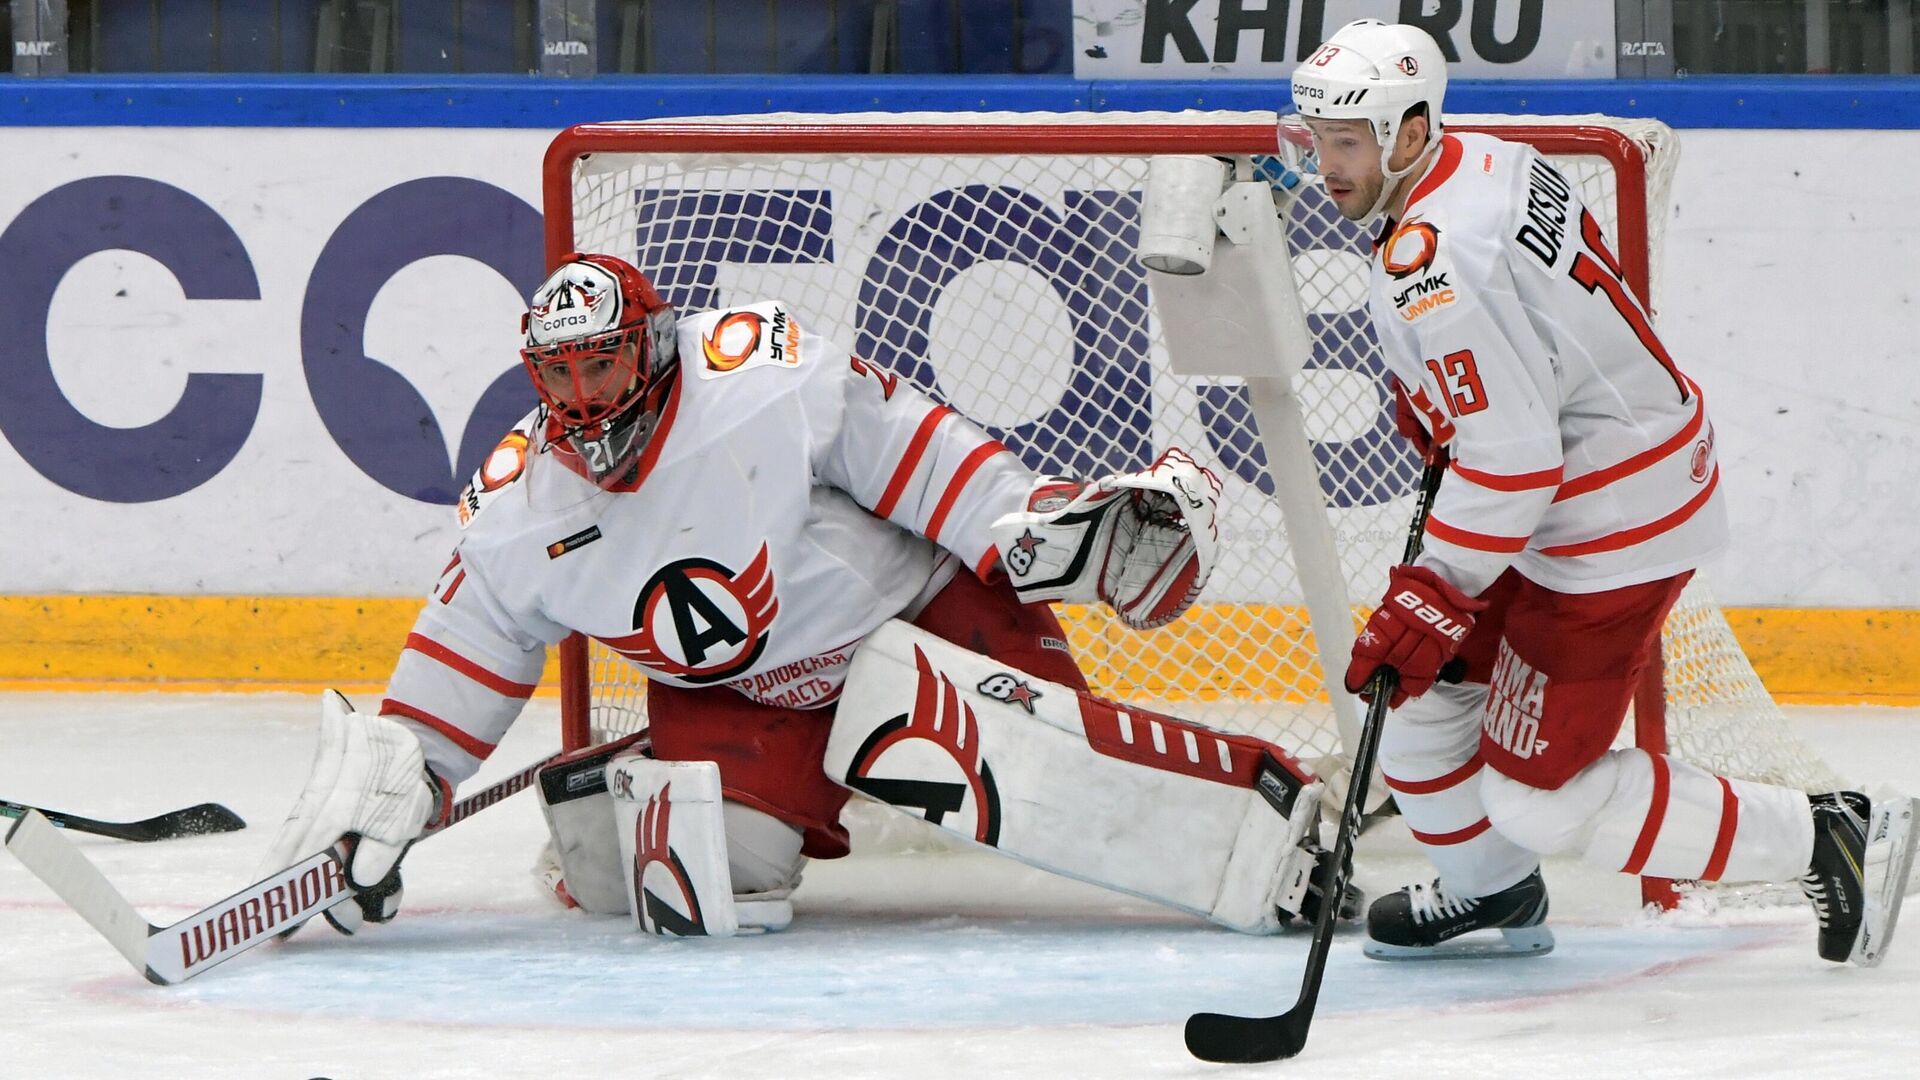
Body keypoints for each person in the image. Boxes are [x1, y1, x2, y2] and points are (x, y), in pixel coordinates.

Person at [260, 252, 1343, 938]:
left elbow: (917, 454)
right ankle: (634, 793)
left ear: (652, 341)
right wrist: (395, 792)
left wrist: (1037, 529)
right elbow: (463, 655)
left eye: (605, 362)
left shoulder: (758, 379)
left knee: (1032, 765)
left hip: (914, 615)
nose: (586, 398)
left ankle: (1284, 821)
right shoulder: (517, 507)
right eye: (562, 376)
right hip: (741, 699)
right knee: (701, 894)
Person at [1290, 19, 1915, 963]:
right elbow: (1522, 382)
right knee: (1418, 705)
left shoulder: (1436, 264)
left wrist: (1440, 586)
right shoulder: (1485, 158)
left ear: (1409, 133)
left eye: (1346, 140)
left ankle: (1832, 834)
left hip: (1609, 520)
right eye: (1318, 137)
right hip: (1572, 487)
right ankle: (1492, 893)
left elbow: (1513, 459)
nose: (1325, 163)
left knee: (1538, 796)